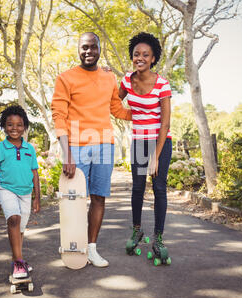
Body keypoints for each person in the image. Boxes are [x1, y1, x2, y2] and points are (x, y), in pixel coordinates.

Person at [51, 32, 132, 267]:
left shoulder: (108, 78)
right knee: (74, 200)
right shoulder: (65, 78)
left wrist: (143, 112)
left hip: (105, 144)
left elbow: (116, 109)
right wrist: (66, 153)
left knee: (98, 198)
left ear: (99, 48)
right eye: (84, 47)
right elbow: (59, 116)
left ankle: (91, 248)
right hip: (76, 145)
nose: (88, 51)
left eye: (92, 47)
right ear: (79, 49)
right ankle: (73, 242)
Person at [118, 32, 172, 262]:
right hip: (139, 142)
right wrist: (106, 77)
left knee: (159, 188)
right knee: (137, 188)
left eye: (145, 55)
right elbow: (113, 101)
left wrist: (156, 157)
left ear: (153, 58)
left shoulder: (162, 84)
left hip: (160, 142)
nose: (139, 57)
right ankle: (136, 229)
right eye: (136, 54)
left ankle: (158, 237)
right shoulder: (126, 81)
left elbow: (166, 122)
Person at [0, 105, 40, 278]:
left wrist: (37, 198)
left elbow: (35, 173)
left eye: (19, 125)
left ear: (24, 126)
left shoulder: (29, 149)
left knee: (20, 228)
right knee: (14, 219)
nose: (15, 128)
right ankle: (19, 263)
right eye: (10, 124)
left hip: (26, 192)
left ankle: (18, 261)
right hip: (6, 189)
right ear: (4, 126)